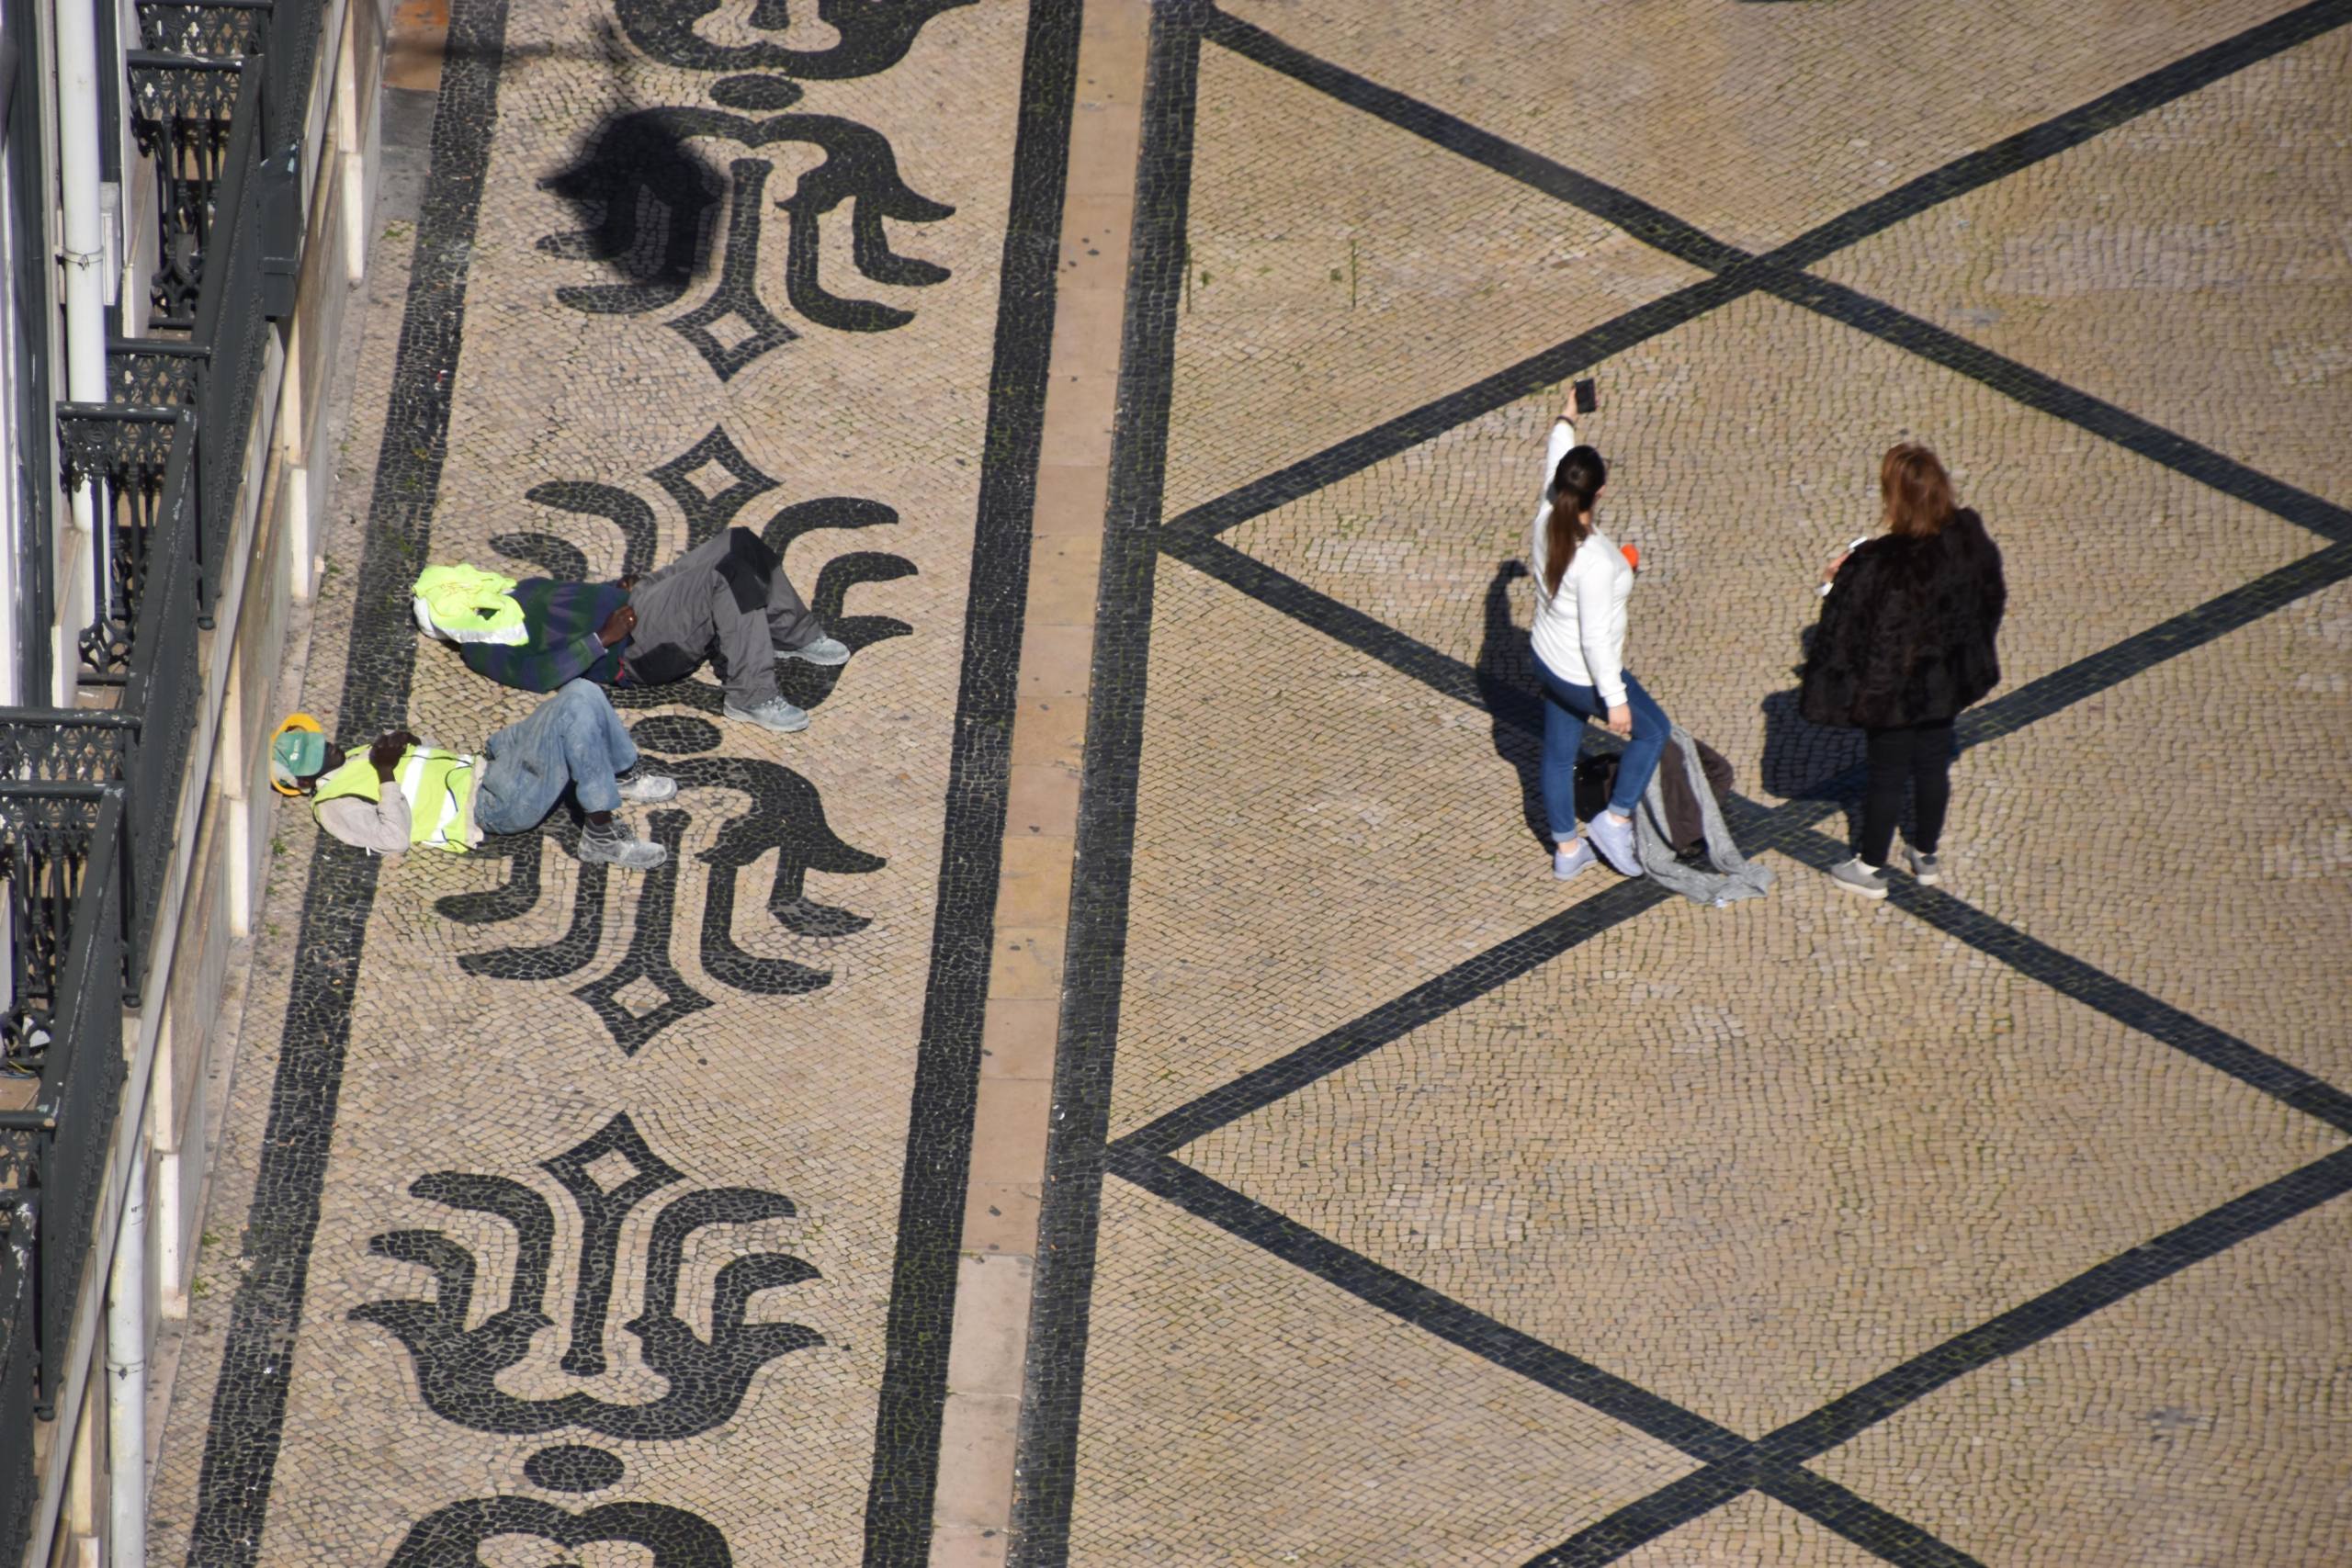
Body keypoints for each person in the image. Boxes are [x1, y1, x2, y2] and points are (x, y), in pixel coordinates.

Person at [1800, 443, 2007, 899]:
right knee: (1933, 762)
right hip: (1947, 680)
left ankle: (1870, 866)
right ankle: (1925, 854)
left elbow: (1851, 627)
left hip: (1894, 690)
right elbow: (1991, 597)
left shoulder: (1880, 563)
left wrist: (1839, 579)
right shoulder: (1967, 534)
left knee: (1887, 773)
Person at [416, 528, 850, 733]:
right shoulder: (483, 648)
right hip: (634, 649)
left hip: (634, 605)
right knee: (727, 574)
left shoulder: (516, 592)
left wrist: (613, 589)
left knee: (740, 542)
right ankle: (750, 696)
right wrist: (602, 638)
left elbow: (570, 602)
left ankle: (791, 635)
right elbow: (539, 676)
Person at [268, 681, 677, 869]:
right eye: (316, 758)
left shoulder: (352, 756)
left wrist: (415, 740)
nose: (328, 747)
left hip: (490, 764)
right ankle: (601, 836)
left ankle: (619, 771)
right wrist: (386, 772)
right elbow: (393, 840)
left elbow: (428, 769)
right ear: (306, 784)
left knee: (583, 691)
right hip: (493, 805)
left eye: (320, 741)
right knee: (573, 710)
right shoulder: (332, 807)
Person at [1528, 397, 1671, 880]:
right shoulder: (1594, 561)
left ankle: (1568, 854)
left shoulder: (1548, 513)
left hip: (1546, 655)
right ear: (1601, 492)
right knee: (1653, 732)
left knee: (1558, 753)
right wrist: (1614, 700)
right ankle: (1615, 820)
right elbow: (1594, 639)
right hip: (1578, 667)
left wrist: (1567, 416)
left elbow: (1556, 453)